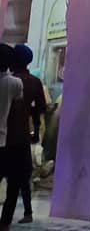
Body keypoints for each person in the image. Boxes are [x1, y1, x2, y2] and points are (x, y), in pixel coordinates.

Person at [10, 48, 44, 224]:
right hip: (23, 133)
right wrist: (36, 131)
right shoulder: (35, 82)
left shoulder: (11, 81)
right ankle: (28, 212)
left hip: (7, 133)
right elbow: (39, 109)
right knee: (23, 175)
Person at [0, 44, 26, 231]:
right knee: (13, 184)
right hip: (5, 141)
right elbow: (17, 113)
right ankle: (4, 223)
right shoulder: (14, 83)